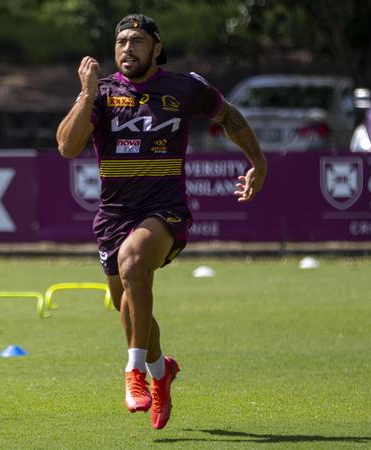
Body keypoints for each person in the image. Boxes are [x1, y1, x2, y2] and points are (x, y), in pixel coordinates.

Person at [55, 13, 267, 430]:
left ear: (156, 48)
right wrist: (86, 93)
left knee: (134, 261)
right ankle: (159, 370)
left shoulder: (184, 87)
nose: (127, 48)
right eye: (120, 42)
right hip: (113, 216)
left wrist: (257, 160)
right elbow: (66, 146)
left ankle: (133, 373)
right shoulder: (102, 93)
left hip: (166, 211)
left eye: (136, 41)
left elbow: (228, 116)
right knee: (126, 304)